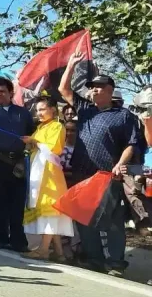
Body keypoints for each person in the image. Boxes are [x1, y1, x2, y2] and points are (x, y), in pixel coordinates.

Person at [59, 52, 140, 276]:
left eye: (98, 87)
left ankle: (115, 263)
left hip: (108, 176)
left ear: (109, 90)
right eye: (91, 87)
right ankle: (94, 259)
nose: (93, 90)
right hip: (83, 174)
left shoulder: (124, 116)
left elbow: (132, 144)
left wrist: (120, 164)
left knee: (113, 221)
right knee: (84, 218)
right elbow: (63, 90)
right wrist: (72, 65)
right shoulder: (85, 110)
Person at [20, 97, 75, 262]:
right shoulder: (41, 127)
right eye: (37, 110)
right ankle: (59, 253)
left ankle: (44, 249)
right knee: (49, 211)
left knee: (50, 210)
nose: (39, 113)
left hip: (49, 174)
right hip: (39, 171)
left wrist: (34, 141)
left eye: (42, 109)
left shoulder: (58, 126)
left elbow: (53, 149)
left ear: (53, 109)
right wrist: (31, 143)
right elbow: (36, 146)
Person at [0, 78, 35, 252]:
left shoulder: (23, 113)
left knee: (17, 203)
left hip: (18, 163)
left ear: (11, 93)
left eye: (2, 91)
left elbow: (32, 133)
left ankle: (18, 240)